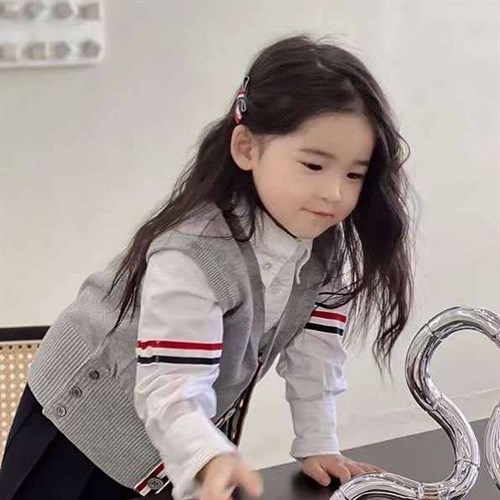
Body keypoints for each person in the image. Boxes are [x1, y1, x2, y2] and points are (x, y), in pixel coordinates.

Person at [0, 34, 414, 500]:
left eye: (354, 174)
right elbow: (171, 381)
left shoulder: (325, 248)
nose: (334, 193)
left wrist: (318, 443)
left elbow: (316, 355)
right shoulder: (193, 252)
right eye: (314, 166)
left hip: (174, 435)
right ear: (246, 148)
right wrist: (207, 455)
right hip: (78, 419)